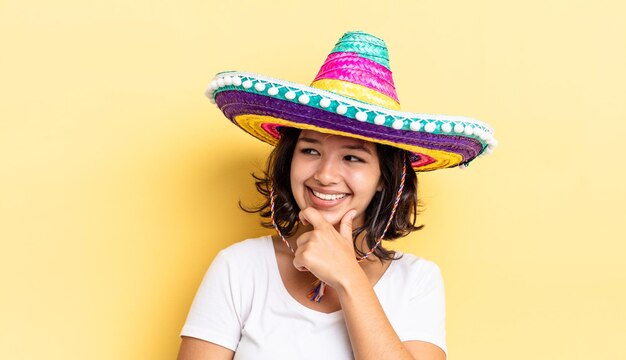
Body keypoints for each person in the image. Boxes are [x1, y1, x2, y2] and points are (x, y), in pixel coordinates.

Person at [178, 31, 496, 360]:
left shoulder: (416, 280)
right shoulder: (239, 267)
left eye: (352, 157)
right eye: (310, 150)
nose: (325, 175)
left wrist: (347, 276)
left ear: (385, 178)